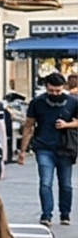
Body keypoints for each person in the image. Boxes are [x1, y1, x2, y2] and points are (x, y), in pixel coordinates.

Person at [27, 71, 78, 225]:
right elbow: (28, 125)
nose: (55, 94)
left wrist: (66, 124)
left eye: (58, 91)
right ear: (46, 88)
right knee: (45, 182)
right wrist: (23, 150)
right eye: (51, 91)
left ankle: (65, 213)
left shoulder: (73, 102)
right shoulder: (37, 102)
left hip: (65, 148)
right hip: (43, 147)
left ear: (64, 87)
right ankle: (46, 214)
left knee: (66, 184)